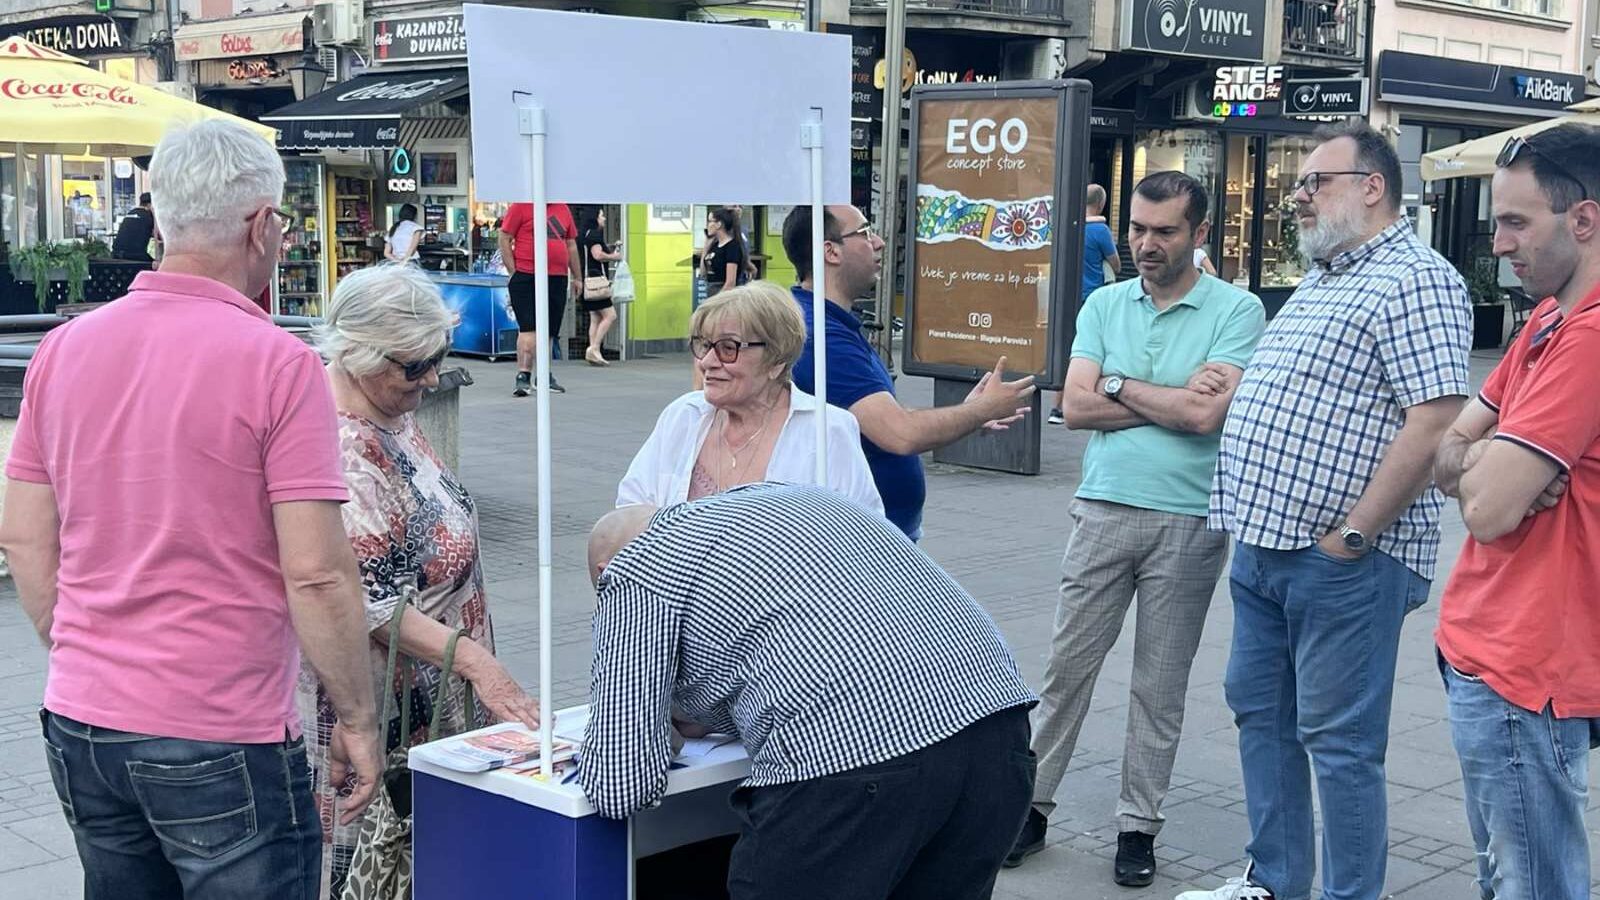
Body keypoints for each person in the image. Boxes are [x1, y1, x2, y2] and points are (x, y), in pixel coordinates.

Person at [0, 118, 381, 899]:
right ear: (264, 226)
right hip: (219, 724)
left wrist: (79, 644)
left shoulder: (64, 349)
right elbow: (314, 572)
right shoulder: (280, 363)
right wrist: (358, 718)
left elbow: (23, 533)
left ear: (159, 213)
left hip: (83, 717)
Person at [1184, 120, 1473, 900]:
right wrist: (1245, 389)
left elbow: (1434, 418)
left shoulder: (1418, 277)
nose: (1299, 196)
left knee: (1339, 744)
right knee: (1260, 717)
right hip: (1265, 545)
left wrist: (1354, 533)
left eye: (1317, 181)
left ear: (1372, 187)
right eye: (1302, 184)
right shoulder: (1328, 272)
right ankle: (1274, 881)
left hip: (1343, 560)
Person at [581, 484, 1039, 899]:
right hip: (997, 726)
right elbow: (798, 644)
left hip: (853, 761)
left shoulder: (636, 568)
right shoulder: (793, 498)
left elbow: (620, 784)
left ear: (604, 572)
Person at [1008, 172, 1265, 885]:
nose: (1146, 245)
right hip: (1103, 506)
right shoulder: (1104, 302)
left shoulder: (1238, 311)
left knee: (1160, 683)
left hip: (1190, 519)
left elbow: (1203, 418)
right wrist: (1159, 395)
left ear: (1200, 234)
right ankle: (1030, 807)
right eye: (1139, 230)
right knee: (1067, 671)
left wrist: (1117, 383)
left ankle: (1138, 826)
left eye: (1165, 232)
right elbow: (1075, 406)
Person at [299, 263, 540, 897]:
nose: (431, 377)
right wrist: (478, 665)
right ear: (356, 354)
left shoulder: (390, 412)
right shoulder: (342, 449)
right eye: (414, 365)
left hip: (428, 699)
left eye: (436, 358)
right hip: (380, 711)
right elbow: (367, 604)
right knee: (371, 871)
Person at [1431, 124, 1600, 900]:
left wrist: (1488, 466)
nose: (1496, 243)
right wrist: (1483, 460)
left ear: (1585, 220)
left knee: (1532, 885)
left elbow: (1490, 511)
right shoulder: (1545, 319)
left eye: (1515, 222)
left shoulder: (1589, 336)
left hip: (1527, 669)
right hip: (1490, 648)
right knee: (1506, 878)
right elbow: (1448, 453)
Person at [782, 204, 1036, 540]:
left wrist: (970, 415)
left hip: (877, 533)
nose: (879, 242)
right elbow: (900, 433)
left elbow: (879, 417)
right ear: (830, 251)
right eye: (864, 232)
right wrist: (983, 409)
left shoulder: (830, 324)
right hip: (861, 542)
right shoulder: (822, 338)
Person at [617, 282, 882, 515]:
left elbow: (864, 538)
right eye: (704, 345)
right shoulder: (683, 416)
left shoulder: (827, 430)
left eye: (728, 348)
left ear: (776, 361)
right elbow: (631, 511)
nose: (707, 362)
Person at [1049, 184, 1120, 425]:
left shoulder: (1069, 226)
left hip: (1067, 295)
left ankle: (1056, 407)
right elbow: (1116, 263)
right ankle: (1087, 401)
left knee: (1069, 349)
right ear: (1101, 204)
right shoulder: (1100, 230)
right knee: (1091, 352)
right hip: (1092, 296)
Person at [499, 199, 582, 396]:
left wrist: (578, 277)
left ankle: (544, 375)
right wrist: (514, 272)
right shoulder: (521, 206)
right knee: (529, 327)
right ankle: (523, 375)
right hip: (527, 275)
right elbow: (504, 237)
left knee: (549, 329)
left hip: (557, 276)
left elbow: (570, 244)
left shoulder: (562, 208)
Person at [579, 208, 623, 367]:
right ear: (595, 218)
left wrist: (608, 247)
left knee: (596, 318)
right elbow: (597, 255)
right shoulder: (595, 235)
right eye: (602, 215)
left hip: (588, 283)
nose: (604, 218)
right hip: (597, 283)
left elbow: (593, 252)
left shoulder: (585, 235)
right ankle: (594, 347)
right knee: (611, 315)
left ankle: (594, 354)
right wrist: (614, 256)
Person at [702, 206, 749, 297]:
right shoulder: (714, 246)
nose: (707, 225)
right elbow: (704, 273)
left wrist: (716, 301)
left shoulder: (732, 247)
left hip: (723, 295)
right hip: (711, 291)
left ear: (719, 224)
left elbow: (730, 283)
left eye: (710, 221)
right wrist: (706, 245)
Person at [111, 192, 155, 262]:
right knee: (157, 266)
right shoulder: (149, 215)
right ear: (150, 205)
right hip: (135, 255)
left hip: (115, 254)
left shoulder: (130, 213)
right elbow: (157, 234)